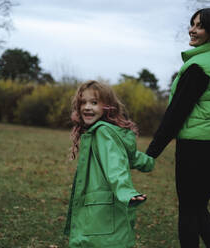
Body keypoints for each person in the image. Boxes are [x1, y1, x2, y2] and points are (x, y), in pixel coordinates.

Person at [145, 8, 210, 248]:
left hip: (197, 151)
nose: (192, 30)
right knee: (198, 207)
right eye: (192, 24)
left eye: (199, 26)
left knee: (188, 211)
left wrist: (151, 153)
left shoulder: (199, 66)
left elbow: (175, 115)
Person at [64, 80, 154, 248]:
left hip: (100, 210)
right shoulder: (109, 131)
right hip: (105, 208)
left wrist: (126, 191)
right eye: (83, 102)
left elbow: (115, 165)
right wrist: (148, 162)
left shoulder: (103, 132)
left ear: (108, 106)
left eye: (94, 102)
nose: (87, 107)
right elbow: (128, 156)